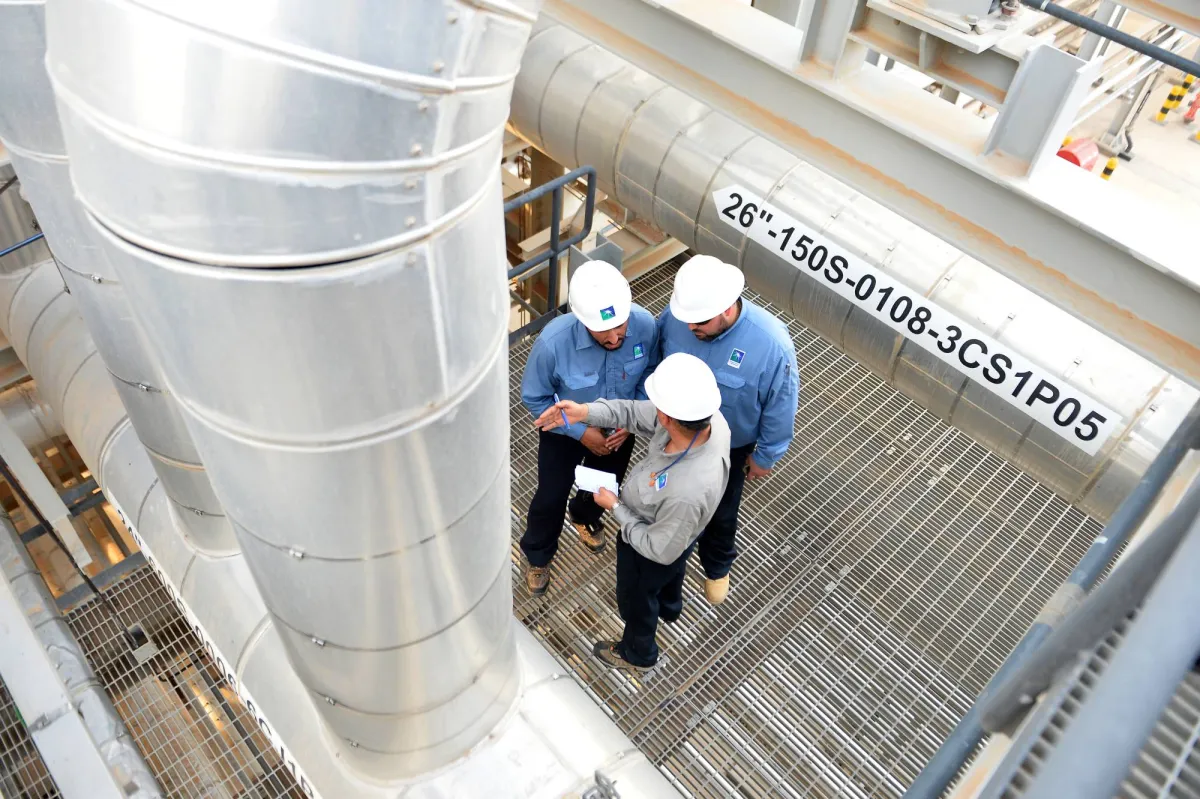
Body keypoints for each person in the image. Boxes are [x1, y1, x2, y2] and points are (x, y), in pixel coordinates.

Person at [534, 353, 730, 671]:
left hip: (649, 548)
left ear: (666, 416)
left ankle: (638, 652)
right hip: (677, 533)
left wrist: (615, 507)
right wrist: (585, 411)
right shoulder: (709, 420)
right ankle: (670, 606)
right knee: (671, 571)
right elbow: (631, 412)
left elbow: (659, 549)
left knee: (636, 598)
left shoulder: (687, 491)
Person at [658, 254, 799, 605]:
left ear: (726, 308)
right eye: (688, 320)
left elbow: (780, 405)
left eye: (701, 321)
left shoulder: (771, 345)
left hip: (728, 449)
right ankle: (667, 575)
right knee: (669, 504)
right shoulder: (677, 319)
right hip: (673, 433)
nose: (691, 328)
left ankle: (717, 566)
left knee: (721, 511)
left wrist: (765, 457)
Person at [520, 260, 659, 596]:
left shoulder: (646, 326)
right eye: (602, 331)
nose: (614, 337)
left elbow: (651, 373)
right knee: (550, 496)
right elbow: (535, 398)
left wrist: (631, 420)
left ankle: (583, 515)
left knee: (603, 484)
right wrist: (581, 432)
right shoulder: (553, 343)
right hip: (565, 431)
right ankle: (538, 555)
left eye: (620, 326)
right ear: (582, 320)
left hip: (618, 430)